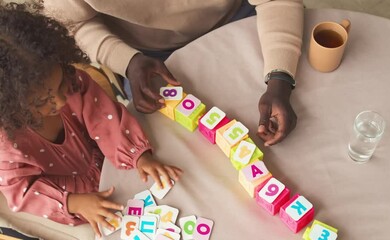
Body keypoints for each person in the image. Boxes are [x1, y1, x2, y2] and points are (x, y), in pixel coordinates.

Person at [0, 3, 182, 237]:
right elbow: (22, 192)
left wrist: (139, 155)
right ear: (11, 107)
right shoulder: (7, 145)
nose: (60, 101)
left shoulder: (73, 82)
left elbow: (104, 119)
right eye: (42, 101)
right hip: (68, 200)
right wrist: (75, 203)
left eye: (60, 85)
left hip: (109, 161)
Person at [43, 0, 304, 147]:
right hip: (144, 54)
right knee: (167, 144)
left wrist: (280, 76)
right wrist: (127, 60)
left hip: (239, 15)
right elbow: (74, 23)